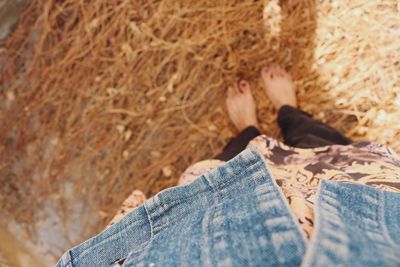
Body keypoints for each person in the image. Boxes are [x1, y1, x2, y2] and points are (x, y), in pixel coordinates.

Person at [57, 66, 400, 267]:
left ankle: (250, 130)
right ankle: (289, 112)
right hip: (367, 227)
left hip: (211, 235)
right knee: (328, 153)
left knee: (231, 169)